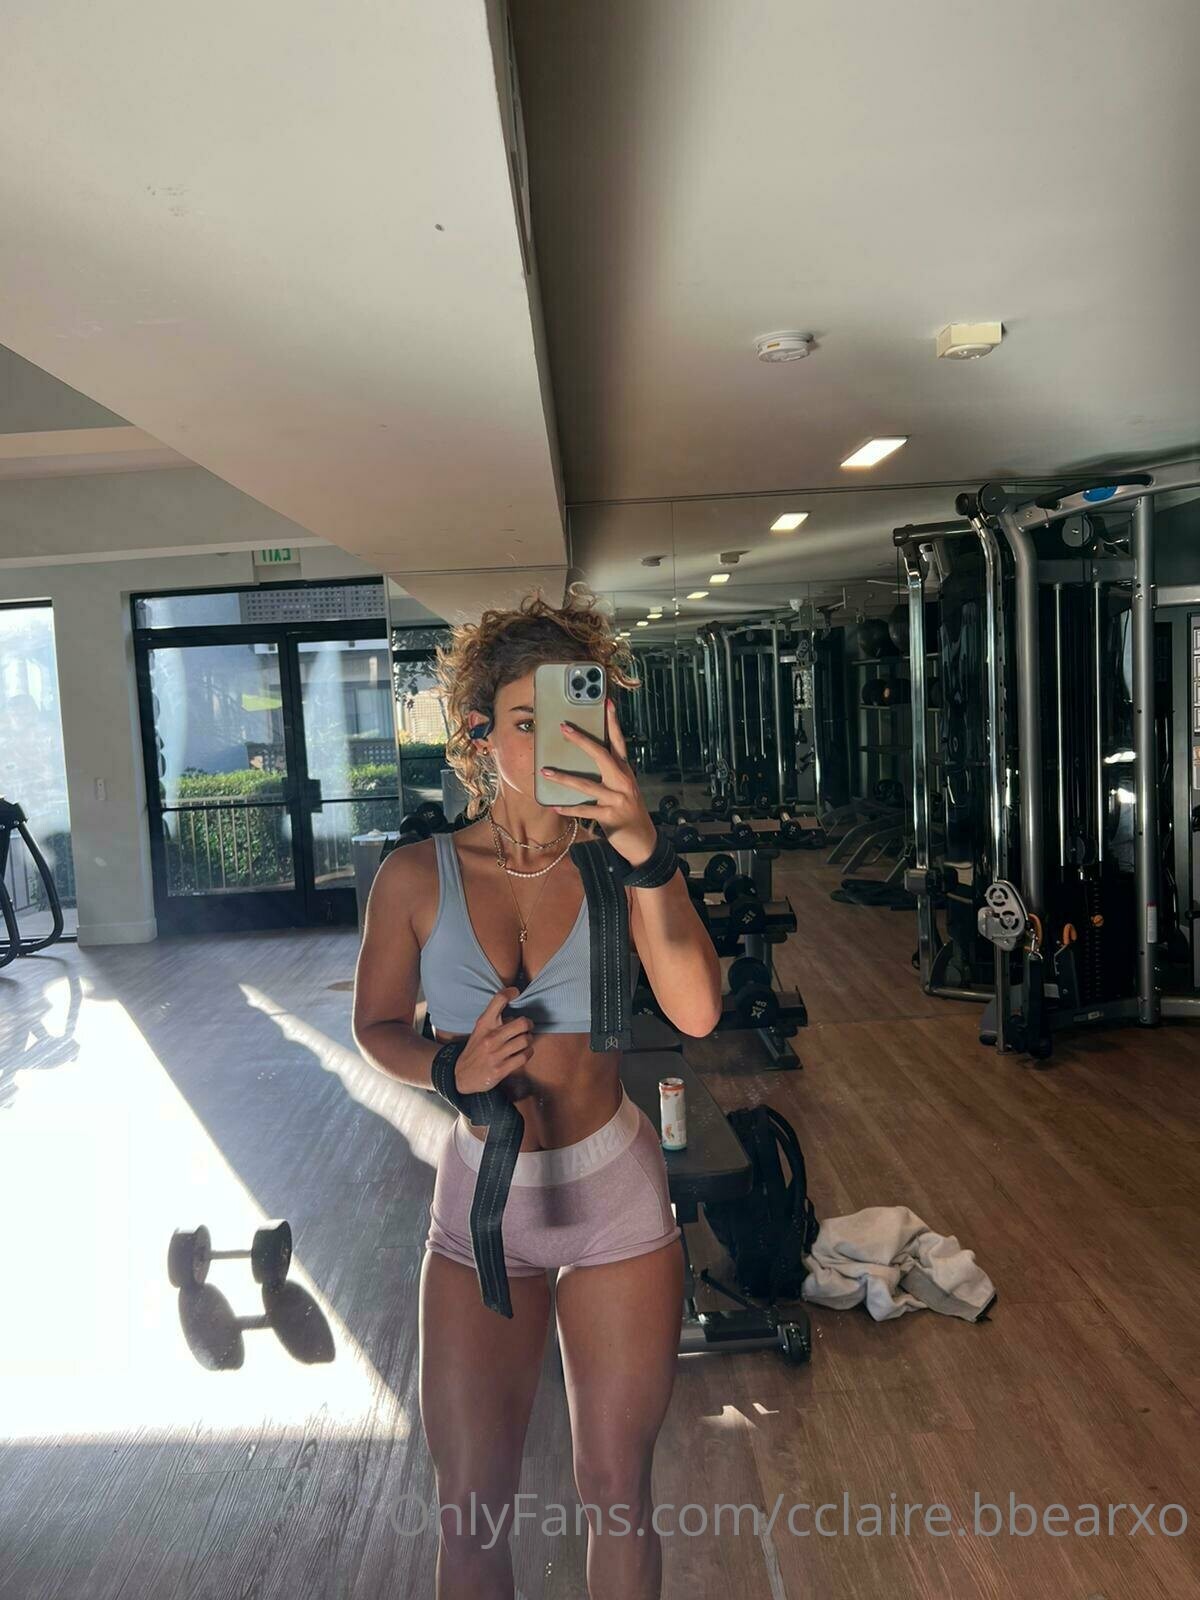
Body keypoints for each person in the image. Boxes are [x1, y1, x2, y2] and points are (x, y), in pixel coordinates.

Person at [353, 585, 721, 1600]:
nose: (562, 742)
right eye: (530, 720)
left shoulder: (621, 861)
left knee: (617, 1491)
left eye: (580, 717)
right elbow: (376, 1027)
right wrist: (448, 1070)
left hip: (615, 1197)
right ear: (480, 733)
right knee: (470, 1509)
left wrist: (646, 844)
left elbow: (696, 1011)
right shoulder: (414, 877)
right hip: (482, 1204)